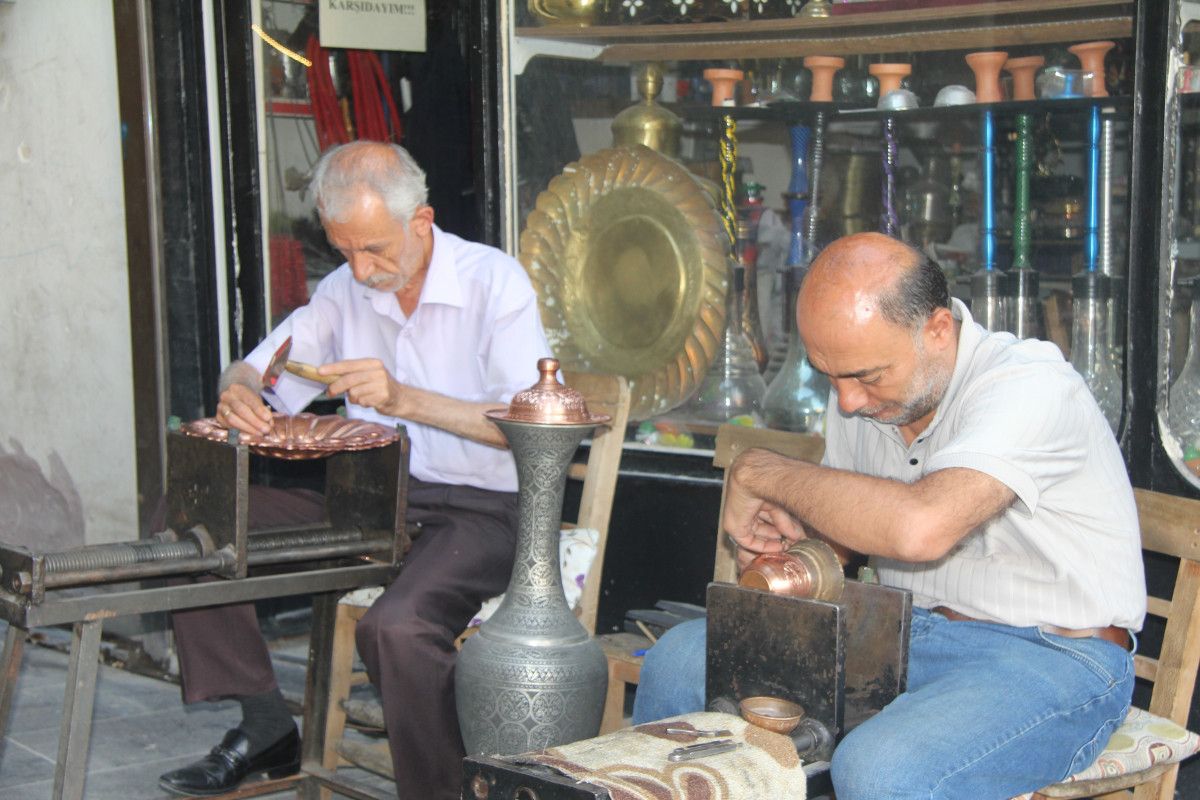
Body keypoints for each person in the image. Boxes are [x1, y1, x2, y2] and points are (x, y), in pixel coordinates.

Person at [632, 232, 1146, 799]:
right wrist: (790, 550)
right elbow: (845, 540)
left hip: (1053, 656)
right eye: (830, 376)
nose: (848, 401)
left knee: (882, 769)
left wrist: (760, 472)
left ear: (938, 330)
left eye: (868, 376)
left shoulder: (1031, 386)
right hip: (900, 636)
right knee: (677, 662)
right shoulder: (858, 388)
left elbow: (919, 529)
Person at [158, 140, 552, 799]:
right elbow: (261, 365)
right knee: (191, 516)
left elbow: (531, 427)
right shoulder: (345, 289)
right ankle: (264, 724)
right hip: (378, 497)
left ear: (421, 222)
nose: (362, 269)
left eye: (375, 249)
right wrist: (243, 392)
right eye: (345, 251)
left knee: (395, 628)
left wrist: (402, 398)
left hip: (486, 510)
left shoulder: (494, 282)